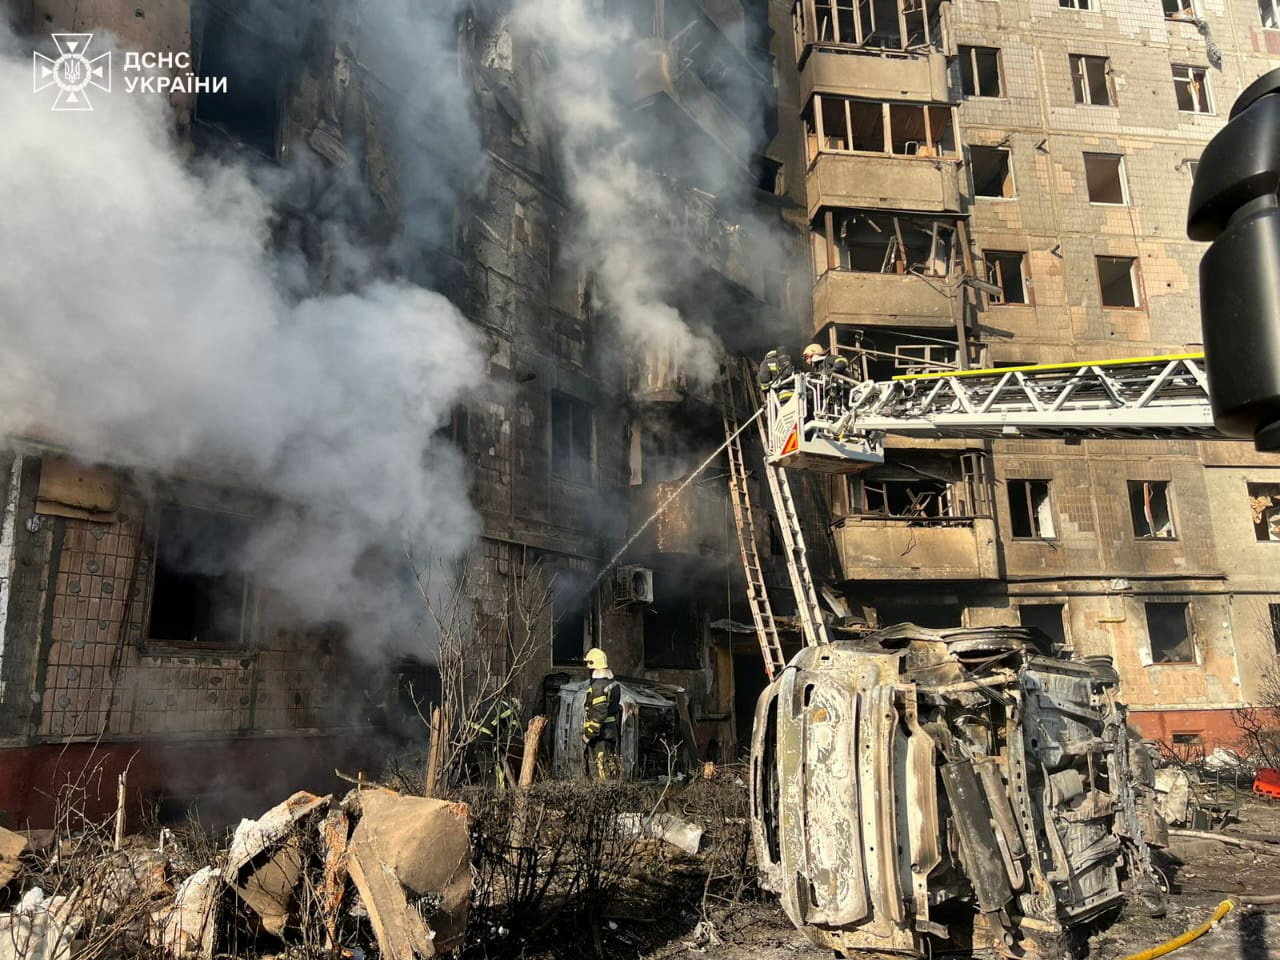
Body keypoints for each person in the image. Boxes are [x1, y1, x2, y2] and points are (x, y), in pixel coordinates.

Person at [581, 647, 622, 780]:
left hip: (600, 735)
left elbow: (599, 714)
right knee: (612, 767)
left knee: (600, 771)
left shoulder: (598, 686)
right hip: (611, 733)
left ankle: (603, 798)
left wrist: (588, 734)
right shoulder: (614, 684)